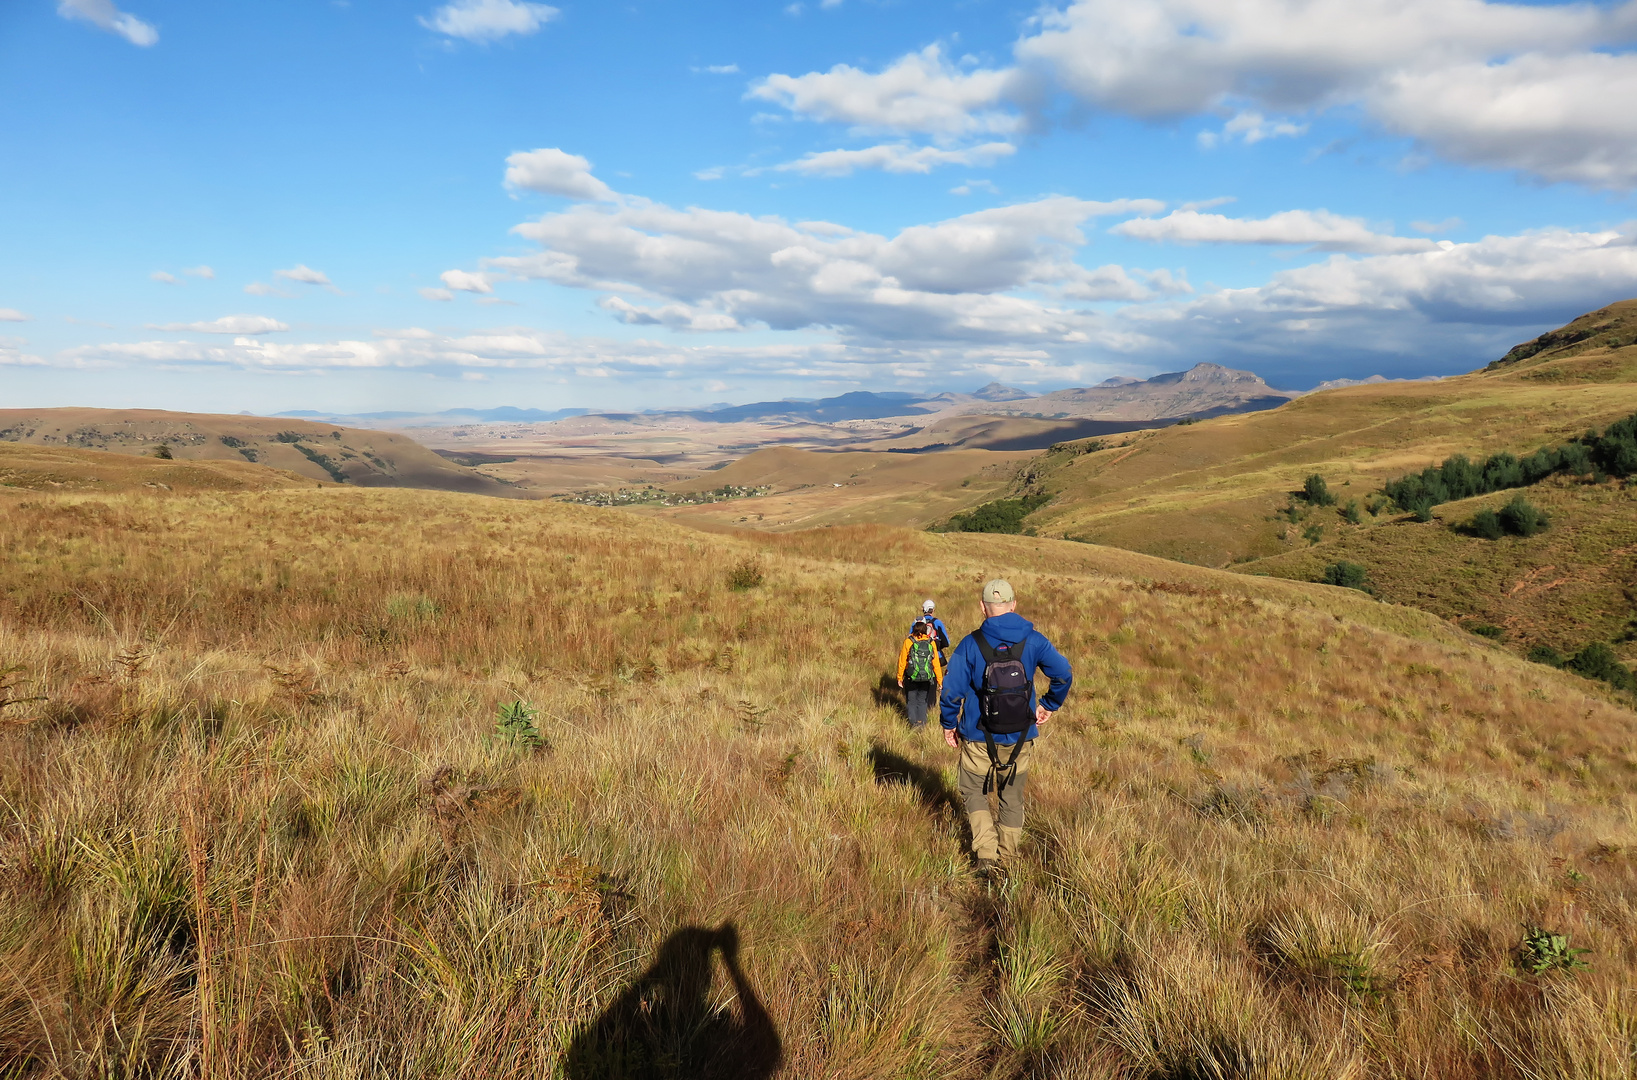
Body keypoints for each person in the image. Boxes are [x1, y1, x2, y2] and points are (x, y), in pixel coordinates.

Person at [939, 578, 1072, 874]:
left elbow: (951, 691)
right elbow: (1063, 673)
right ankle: (1009, 858)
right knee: (1011, 796)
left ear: (983, 607)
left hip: (976, 735)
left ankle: (986, 855)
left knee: (973, 790)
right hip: (1022, 736)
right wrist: (1049, 705)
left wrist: (949, 724)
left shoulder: (970, 644)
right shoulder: (1035, 640)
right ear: (1014, 605)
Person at [895, 619, 944, 729]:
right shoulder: (931, 642)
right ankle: (922, 723)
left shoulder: (909, 641)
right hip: (927, 678)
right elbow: (936, 663)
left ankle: (913, 724)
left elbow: (902, 661)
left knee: (911, 701)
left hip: (911, 677)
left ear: (914, 630)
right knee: (922, 701)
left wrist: (899, 677)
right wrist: (940, 681)